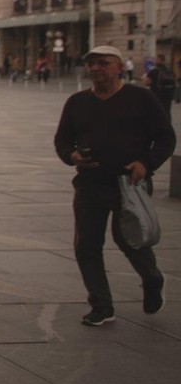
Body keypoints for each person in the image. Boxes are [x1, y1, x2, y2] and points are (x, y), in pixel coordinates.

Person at [52, 44, 175, 326]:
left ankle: (152, 277)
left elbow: (166, 137)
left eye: (103, 63)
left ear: (119, 67)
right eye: (92, 63)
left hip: (129, 184)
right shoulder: (77, 102)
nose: (96, 68)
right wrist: (71, 156)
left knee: (130, 239)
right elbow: (61, 140)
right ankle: (101, 305)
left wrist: (146, 164)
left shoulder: (141, 98)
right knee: (87, 245)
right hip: (89, 185)